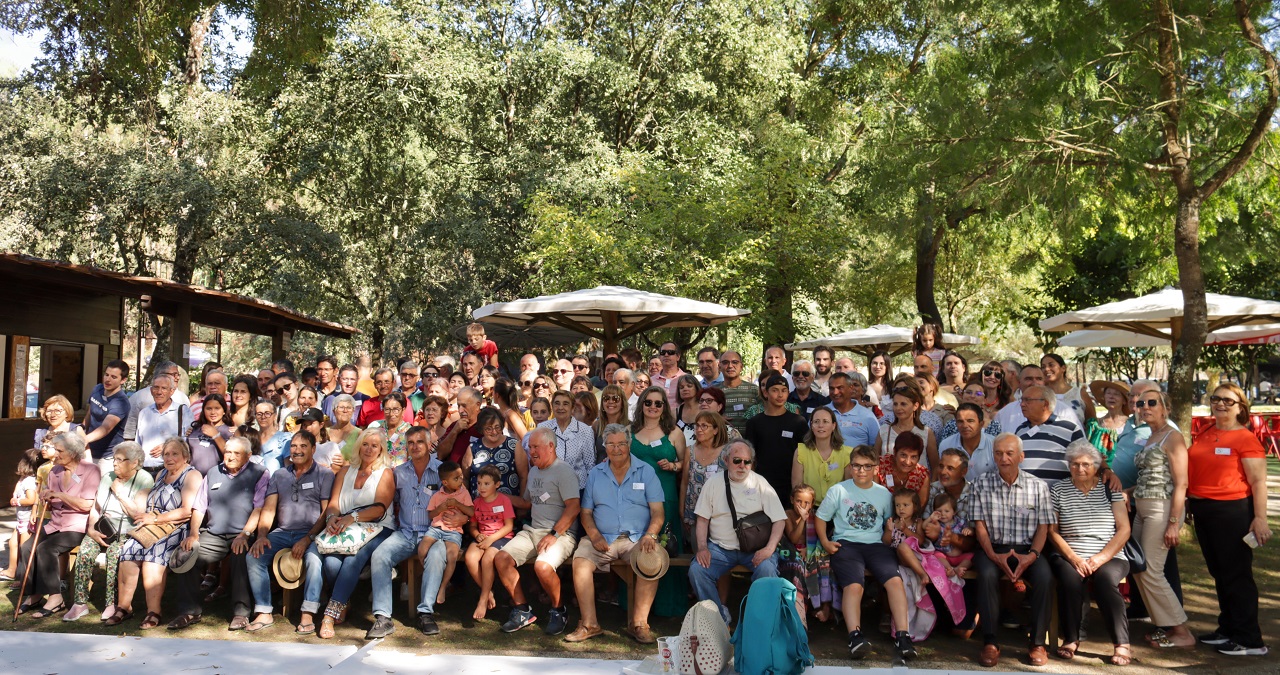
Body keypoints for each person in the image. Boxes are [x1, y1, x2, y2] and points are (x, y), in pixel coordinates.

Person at [1184, 384, 1270, 656]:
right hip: (1204, 509)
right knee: (1219, 572)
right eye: (1216, 398)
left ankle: (1250, 640)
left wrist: (1260, 518)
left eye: (1228, 401)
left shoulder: (1245, 438)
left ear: (1240, 407)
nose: (1220, 404)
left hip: (1232, 511)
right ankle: (1229, 628)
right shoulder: (1208, 431)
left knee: (1236, 574)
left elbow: (1258, 482)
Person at [815, 443, 917, 661]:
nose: (861, 470)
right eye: (856, 466)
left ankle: (903, 636)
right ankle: (855, 636)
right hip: (847, 544)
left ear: (876, 468)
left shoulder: (883, 494)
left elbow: (887, 529)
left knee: (895, 582)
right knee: (854, 585)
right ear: (850, 467)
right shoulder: (839, 490)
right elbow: (821, 517)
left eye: (866, 466)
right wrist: (825, 541)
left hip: (876, 545)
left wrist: (889, 536)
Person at [566, 424, 665, 644]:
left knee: (652, 559)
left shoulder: (646, 471)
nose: (616, 449)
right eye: (611, 444)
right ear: (605, 446)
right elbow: (586, 512)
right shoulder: (595, 473)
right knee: (580, 561)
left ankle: (639, 624)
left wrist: (650, 535)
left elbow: (658, 512)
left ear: (629, 445)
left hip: (637, 538)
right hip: (603, 538)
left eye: (621, 443)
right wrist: (594, 535)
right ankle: (589, 624)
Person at [365, 427, 463, 638]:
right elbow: (393, 503)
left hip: (433, 533)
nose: (415, 446)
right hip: (405, 533)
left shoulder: (443, 471)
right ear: (406, 447)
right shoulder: (398, 472)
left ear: (429, 445)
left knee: (437, 555)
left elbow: (463, 498)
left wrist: (462, 517)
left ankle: (425, 613)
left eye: (420, 442)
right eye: (411, 443)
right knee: (380, 555)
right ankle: (383, 617)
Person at [969, 433, 1054, 667]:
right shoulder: (980, 484)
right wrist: (994, 555)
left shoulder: (1038, 487)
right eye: (998, 453)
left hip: (1028, 549)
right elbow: (980, 527)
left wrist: (1032, 556)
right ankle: (990, 642)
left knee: (1045, 578)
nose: (1003, 458)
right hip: (993, 547)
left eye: (1009, 453)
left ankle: (1037, 643)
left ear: (1021, 456)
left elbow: (1043, 529)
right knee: (986, 575)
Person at [168, 437, 268, 630]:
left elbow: (259, 508)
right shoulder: (213, 472)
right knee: (187, 554)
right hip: (214, 534)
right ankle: (189, 611)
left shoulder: (260, 473)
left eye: (236, 453)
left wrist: (245, 534)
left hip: (242, 533)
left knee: (241, 555)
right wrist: (193, 533)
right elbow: (199, 506)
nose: (230, 457)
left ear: (248, 456)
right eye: (227, 452)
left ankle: (241, 613)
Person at [303, 427, 395, 639]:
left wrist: (350, 518)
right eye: (365, 444)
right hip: (345, 526)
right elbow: (334, 503)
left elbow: (380, 509)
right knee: (331, 563)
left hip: (377, 527)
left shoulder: (385, 473)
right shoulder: (345, 471)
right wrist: (332, 519)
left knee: (354, 559)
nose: (369, 449)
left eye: (374, 445)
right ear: (358, 446)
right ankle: (344, 600)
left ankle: (329, 614)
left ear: (381, 450)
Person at [1047, 441, 1131, 665]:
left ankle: (1121, 643)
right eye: (1074, 464)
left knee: (1105, 580)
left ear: (1096, 466)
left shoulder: (1110, 489)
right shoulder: (1058, 489)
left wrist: (1100, 558)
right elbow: (1052, 532)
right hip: (1070, 553)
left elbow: (1124, 529)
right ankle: (1072, 639)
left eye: (1085, 464)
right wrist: (1074, 558)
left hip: (1110, 555)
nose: (1079, 469)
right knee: (1070, 580)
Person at [244, 430, 336, 632]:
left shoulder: (325, 474)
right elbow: (269, 509)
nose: (297, 450)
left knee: (314, 559)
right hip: (283, 532)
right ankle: (264, 611)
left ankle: (308, 613)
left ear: (313, 449)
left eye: (303, 446)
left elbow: (325, 513)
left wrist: (307, 538)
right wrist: (261, 536)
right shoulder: (280, 474)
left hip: (313, 534)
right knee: (254, 556)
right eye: (294, 446)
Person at [493, 427, 581, 635]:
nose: (531, 451)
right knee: (501, 559)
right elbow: (527, 503)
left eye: (535, 447)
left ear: (551, 446)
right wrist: (498, 497)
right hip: (533, 530)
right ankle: (522, 609)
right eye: (530, 447)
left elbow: (574, 507)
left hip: (561, 534)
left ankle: (559, 610)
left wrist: (554, 534)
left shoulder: (564, 471)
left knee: (542, 566)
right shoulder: (533, 471)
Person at [689, 439, 787, 624]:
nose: (742, 465)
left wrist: (769, 549)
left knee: (767, 570)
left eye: (747, 461)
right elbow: (702, 519)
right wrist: (702, 547)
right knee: (697, 570)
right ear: (726, 461)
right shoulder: (713, 483)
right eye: (737, 461)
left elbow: (779, 520)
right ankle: (716, 617)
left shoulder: (760, 483)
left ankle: (758, 621)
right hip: (720, 548)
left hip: (755, 549)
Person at [110, 437, 203, 629]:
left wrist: (155, 519)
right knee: (128, 551)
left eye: (175, 453)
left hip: (176, 528)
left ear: (185, 456)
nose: (169, 458)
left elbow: (187, 511)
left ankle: (154, 611)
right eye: (166, 454)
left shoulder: (191, 475)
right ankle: (124, 607)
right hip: (153, 526)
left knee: (154, 555)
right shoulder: (161, 473)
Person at [15, 433, 102, 618]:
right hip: (55, 524)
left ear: (73, 452)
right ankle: (35, 594)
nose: (56, 454)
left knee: (46, 548)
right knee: (27, 547)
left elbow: (87, 504)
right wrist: (46, 496)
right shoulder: (55, 471)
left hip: (77, 525)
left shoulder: (91, 470)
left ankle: (56, 598)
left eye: (60, 450)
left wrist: (59, 496)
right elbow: (51, 499)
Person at [63, 441, 152, 621]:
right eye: (114, 459)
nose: (115, 463)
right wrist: (91, 529)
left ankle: (113, 604)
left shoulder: (144, 479)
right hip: (102, 527)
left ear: (134, 462)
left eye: (120, 460)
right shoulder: (108, 476)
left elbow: (138, 514)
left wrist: (119, 493)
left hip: (128, 532)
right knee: (85, 552)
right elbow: (96, 507)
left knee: (114, 554)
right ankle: (79, 604)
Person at [630, 385, 689, 617]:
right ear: (641, 404)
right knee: (637, 543)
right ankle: (637, 605)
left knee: (665, 545)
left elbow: (686, 463)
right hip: (635, 497)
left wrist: (673, 465)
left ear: (664, 407)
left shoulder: (674, 433)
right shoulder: (630, 430)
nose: (653, 407)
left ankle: (667, 604)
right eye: (648, 402)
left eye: (658, 403)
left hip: (665, 495)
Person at [744, 373, 808, 507]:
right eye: (775, 390)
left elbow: (805, 455)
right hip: (762, 484)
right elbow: (750, 457)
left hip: (790, 485)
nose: (780, 395)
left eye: (784, 391)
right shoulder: (754, 422)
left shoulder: (798, 422)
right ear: (766, 393)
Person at [466, 465, 515, 620]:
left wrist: (491, 540)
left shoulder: (504, 500)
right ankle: (488, 592)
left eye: (486, 483)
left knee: (488, 558)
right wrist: (477, 534)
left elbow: (509, 526)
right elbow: (472, 526)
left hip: (501, 538)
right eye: (479, 483)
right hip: (484, 537)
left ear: (497, 484)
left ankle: (482, 599)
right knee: (470, 558)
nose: (482, 487)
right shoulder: (476, 502)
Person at [779, 484, 834, 623]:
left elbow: (820, 538)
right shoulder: (787, 515)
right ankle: (799, 610)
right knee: (796, 569)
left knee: (826, 565)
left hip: (812, 551)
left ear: (812, 504)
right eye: (799, 501)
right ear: (792, 500)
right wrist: (803, 520)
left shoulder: (817, 516)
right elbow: (793, 538)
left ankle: (825, 607)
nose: (802, 505)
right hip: (792, 551)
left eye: (807, 503)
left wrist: (809, 551)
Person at [1013, 384, 1085, 484]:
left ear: (1045, 404)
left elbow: (1086, 459)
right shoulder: (1020, 430)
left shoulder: (1069, 429)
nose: (1022, 404)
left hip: (1058, 496)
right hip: (1026, 496)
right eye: (1022, 400)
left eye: (1028, 400)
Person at [680, 411, 729, 544]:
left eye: (704, 426)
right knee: (698, 555)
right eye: (697, 426)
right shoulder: (689, 451)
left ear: (715, 430)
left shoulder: (726, 452)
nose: (699, 430)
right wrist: (682, 511)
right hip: (694, 512)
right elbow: (685, 482)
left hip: (720, 515)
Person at [466, 406, 529, 503]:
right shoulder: (473, 447)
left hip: (509, 507)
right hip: (480, 509)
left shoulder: (514, 445)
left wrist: (522, 504)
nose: (494, 432)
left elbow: (524, 477)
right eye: (489, 429)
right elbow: (465, 478)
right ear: (481, 429)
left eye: (497, 427)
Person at [994, 364, 1080, 433]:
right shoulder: (1005, 413)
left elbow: (1079, 447)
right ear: (1019, 383)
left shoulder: (1064, 410)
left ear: (1044, 383)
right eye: (1028, 379)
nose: (1034, 383)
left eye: (1039, 379)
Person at [791, 407, 851, 506]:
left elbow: (849, 490)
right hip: (808, 509)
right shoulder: (801, 451)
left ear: (833, 426)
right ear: (811, 426)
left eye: (825, 421)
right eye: (816, 421)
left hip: (838, 509)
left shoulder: (847, 453)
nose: (820, 425)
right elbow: (797, 488)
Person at [537, 389, 594, 490]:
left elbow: (590, 465)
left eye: (565, 404)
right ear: (552, 406)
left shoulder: (585, 431)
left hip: (578, 489)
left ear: (572, 408)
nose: (560, 408)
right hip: (550, 488)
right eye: (557, 403)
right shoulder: (542, 428)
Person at [82, 359, 131, 474]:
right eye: (106, 375)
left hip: (107, 456)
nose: (108, 379)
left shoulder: (121, 402)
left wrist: (84, 439)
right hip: (88, 449)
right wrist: (81, 430)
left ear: (123, 380)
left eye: (114, 377)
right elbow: (89, 414)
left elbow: (106, 428)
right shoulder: (97, 389)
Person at [135, 373, 190, 474]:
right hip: (145, 470)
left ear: (172, 391)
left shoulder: (183, 411)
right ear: (151, 390)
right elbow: (138, 443)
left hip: (170, 471)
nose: (159, 392)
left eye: (164, 388)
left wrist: (168, 446)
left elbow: (188, 440)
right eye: (156, 387)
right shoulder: (144, 413)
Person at [878, 383, 939, 472]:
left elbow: (935, 466)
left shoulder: (926, 432)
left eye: (903, 404)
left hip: (919, 484)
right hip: (888, 484)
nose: (898, 408)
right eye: (895, 404)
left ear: (915, 406)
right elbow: (875, 462)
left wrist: (931, 485)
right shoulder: (884, 430)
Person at [938, 403, 997, 478]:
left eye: (970, 421)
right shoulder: (946, 445)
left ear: (981, 424)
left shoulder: (995, 445)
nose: (965, 426)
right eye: (960, 421)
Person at [876, 433, 931, 510]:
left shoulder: (922, 475)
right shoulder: (880, 465)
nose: (907, 462)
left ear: (919, 458)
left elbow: (920, 508)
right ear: (895, 452)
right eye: (903, 455)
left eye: (913, 457)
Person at [185, 393, 232, 475]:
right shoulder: (194, 430)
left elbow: (232, 456)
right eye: (209, 408)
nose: (213, 412)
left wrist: (216, 435)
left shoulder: (229, 431)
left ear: (224, 411)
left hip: (218, 478)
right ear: (203, 410)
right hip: (194, 479)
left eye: (217, 408)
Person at [1041, 354, 1096, 424]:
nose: (1046, 369)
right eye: (1043, 367)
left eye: (1051, 365)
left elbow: (1092, 423)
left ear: (1063, 368)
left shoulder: (1080, 393)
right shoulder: (1040, 395)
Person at [1086, 380, 1130, 464]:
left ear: (1124, 401)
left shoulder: (1131, 425)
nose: (1111, 397)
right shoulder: (1095, 425)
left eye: (1116, 394)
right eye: (1108, 393)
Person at [716, 351, 759, 433]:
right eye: (725, 362)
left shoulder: (754, 390)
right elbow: (703, 415)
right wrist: (715, 418)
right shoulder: (713, 391)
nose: (730, 366)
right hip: (722, 443)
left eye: (735, 362)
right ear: (719, 367)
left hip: (750, 443)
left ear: (741, 366)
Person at [253, 399, 293, 472]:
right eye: (259, 414)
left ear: (275, 415)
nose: (263, 417)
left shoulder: (284, 439)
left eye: (267, 413)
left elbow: (289, 469)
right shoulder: (252, 438)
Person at [595, 384, 630, 462]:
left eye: (615, 399)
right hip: (600, 471)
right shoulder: (596, 426)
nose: (610, 402)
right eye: (606, 398)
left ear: (622, 403)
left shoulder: (631, 427)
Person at [651, 342, 686, 409]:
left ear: (678, 357)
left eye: (670, 352)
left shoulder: (687, 380)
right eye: (663, 352)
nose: (666, 355)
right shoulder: (651, 381)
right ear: (660, 357)